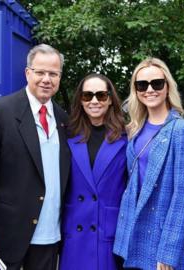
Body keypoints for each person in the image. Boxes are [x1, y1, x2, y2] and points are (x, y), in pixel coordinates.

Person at [0, 44, 70, 270]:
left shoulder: (64, 118)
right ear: (28, 73)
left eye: (53, 74)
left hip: (50, 235)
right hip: (7, 235)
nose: (46, 79)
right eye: (40, 72)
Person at [114, 57, 184, 270]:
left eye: (157, 83)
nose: (149, 90)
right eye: (142, 85)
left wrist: (168, 253)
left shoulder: (182, 131)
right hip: (134, 233)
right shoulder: (135, 129)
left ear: (167, 86)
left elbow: (183, 198)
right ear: (135, 90)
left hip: (162, 236)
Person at [59, 73, 127, 270]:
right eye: (87, 96)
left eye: (101, 95)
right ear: (80, 100)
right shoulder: (67, 135)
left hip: (108, 233)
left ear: (110, 100)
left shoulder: (127, 138)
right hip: (75, 232)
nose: (94, 101)